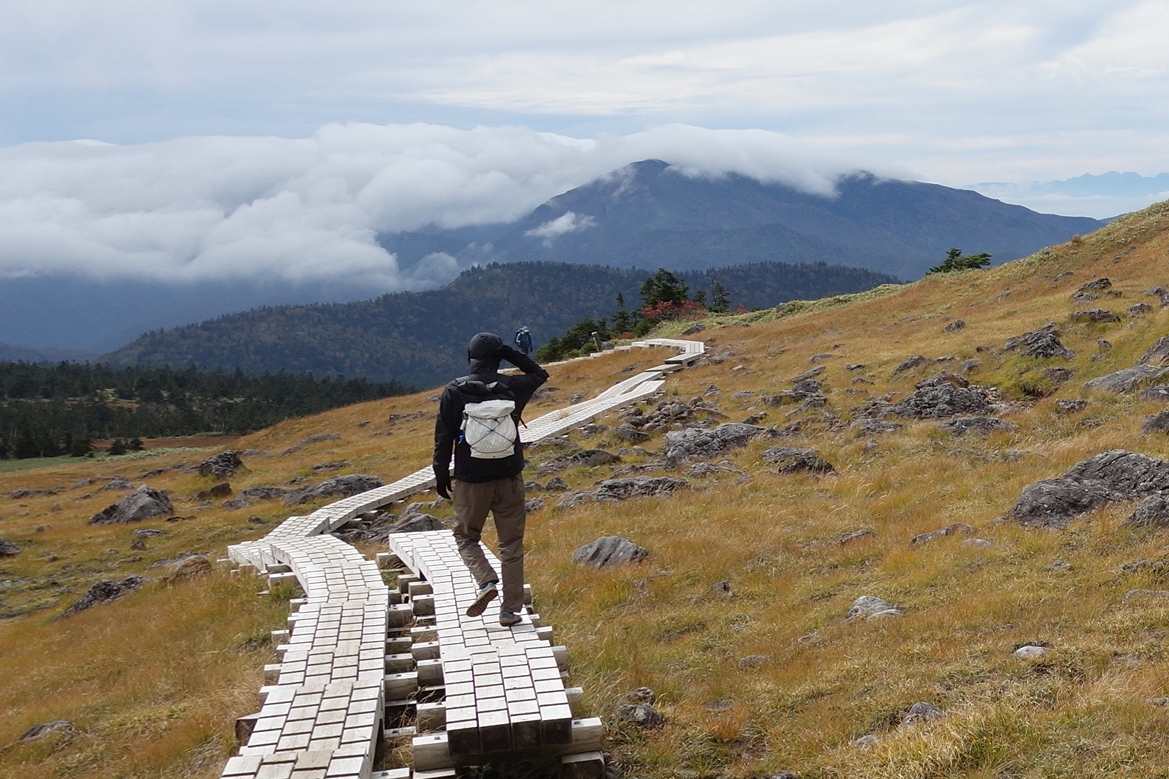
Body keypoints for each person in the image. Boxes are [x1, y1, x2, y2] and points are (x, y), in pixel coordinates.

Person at [433, 332, 548, 627]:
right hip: (509, 475)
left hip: (471, 479)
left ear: (470, 357)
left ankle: (485, 581)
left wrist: (441, 472)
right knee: (511, 544)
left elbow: (444, 436)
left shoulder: (455, 389)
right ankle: (510, 610)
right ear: (497, 357)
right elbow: (539, 373)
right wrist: (508, 351)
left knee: (465, 536)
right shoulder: (512, 386)